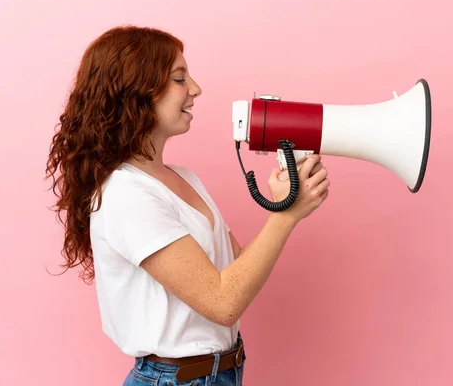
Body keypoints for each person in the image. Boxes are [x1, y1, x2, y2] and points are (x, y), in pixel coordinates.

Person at [45, 25, 330, 386]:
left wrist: (281, 206)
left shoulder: (183, 178)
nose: (195, 89)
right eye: (180, 78)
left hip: (217, 374)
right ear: (137, 93)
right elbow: (223, 303)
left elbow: (237, 273)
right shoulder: (126, 194)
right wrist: (288, 216)